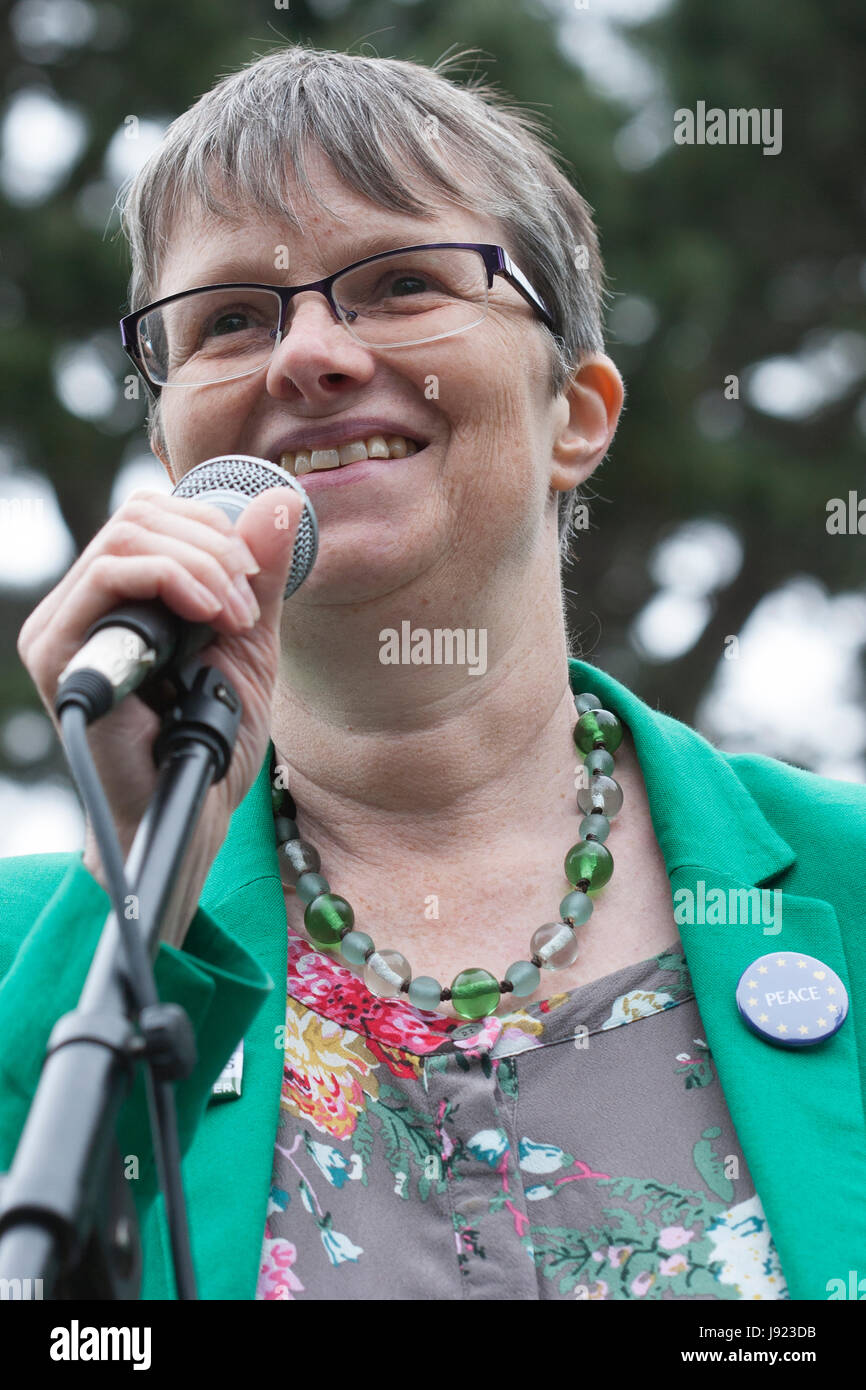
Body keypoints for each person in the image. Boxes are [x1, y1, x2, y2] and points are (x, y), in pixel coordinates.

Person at [3, 44, 865, 1303]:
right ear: (172, 436)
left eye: (401, 281)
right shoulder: (35, 956)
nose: (307, 355)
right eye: (231, 318)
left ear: (575, 411)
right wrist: (138, 899)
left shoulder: (844, 877)